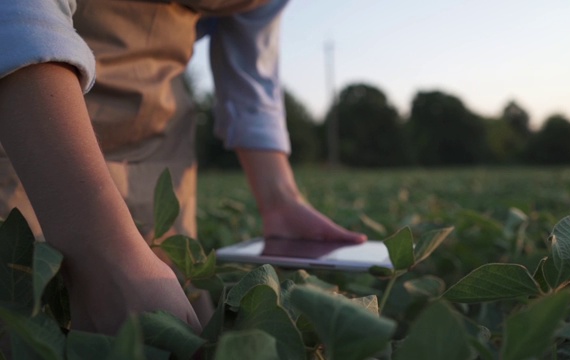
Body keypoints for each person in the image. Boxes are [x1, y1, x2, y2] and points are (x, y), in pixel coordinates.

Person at [0, 0, 366, 336]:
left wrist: (280, 198)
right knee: (27, 317)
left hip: (159, 138)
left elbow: (252, 72)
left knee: (178, 323)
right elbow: (18, 17)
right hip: (29, 118)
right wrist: (99, 247)